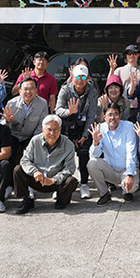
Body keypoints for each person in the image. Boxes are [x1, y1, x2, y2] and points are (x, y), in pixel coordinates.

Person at [12, 114, 78, 214]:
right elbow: (25, 160)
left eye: (56, 130)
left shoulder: (68, 144)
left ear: (60, 130)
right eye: (49, 130)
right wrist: (34, 172)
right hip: (37, 179)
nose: (52, 133)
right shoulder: (35, 140)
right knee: (18, 170)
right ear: (43, 130)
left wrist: (54, 179)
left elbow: (70, 168)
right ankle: (27, 199)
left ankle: (61, 199)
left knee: (71, 181)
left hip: (55, 181)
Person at [55, 61, 99, 200]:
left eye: (83, 77)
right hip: (68, 126)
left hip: (83, 126)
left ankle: (84, 184)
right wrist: (69, 111)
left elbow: (92, 115)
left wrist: (85, 135)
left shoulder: (92, 91)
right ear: (72, 77)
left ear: (87, 78)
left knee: (84, 153)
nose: (80, 81)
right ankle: (59, 184)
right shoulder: (65, 90)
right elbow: (57, 110)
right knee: (63, 155)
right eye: (77, 77)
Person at [87, 103, 138, 204]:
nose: (113, 117)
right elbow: (94, 156)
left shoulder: (128, 126)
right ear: (105, 117)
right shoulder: (100, 128)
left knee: (132, 187)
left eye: (116, 114)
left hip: (126, 169)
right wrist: (96, 143)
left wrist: (129, 174)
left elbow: (131, 151)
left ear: (120, 115)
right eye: (110, 114)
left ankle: (126, 192)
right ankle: (104, 193)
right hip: (110, 170)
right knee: (92, 163)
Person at [2, 78, 49, 167]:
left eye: (31, 89)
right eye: (25, 89)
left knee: (34, 158)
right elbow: (3, 125)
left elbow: (41, 125)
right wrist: (8, 121)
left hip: (30, 136)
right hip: (13, 135)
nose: (28, 92)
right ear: (20, 91)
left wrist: (34, 141)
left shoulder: (42, 103)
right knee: (11, 158)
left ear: (36, 90)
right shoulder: (12, 103)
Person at [109, 44, 140, 120]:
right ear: (126, 56)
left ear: (138, 55)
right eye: (129, 53)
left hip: (139, 107)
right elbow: (110, 82)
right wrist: (112, 69)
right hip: (122, 105)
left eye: (134, 53)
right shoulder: (119, 70)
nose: (131, 55)